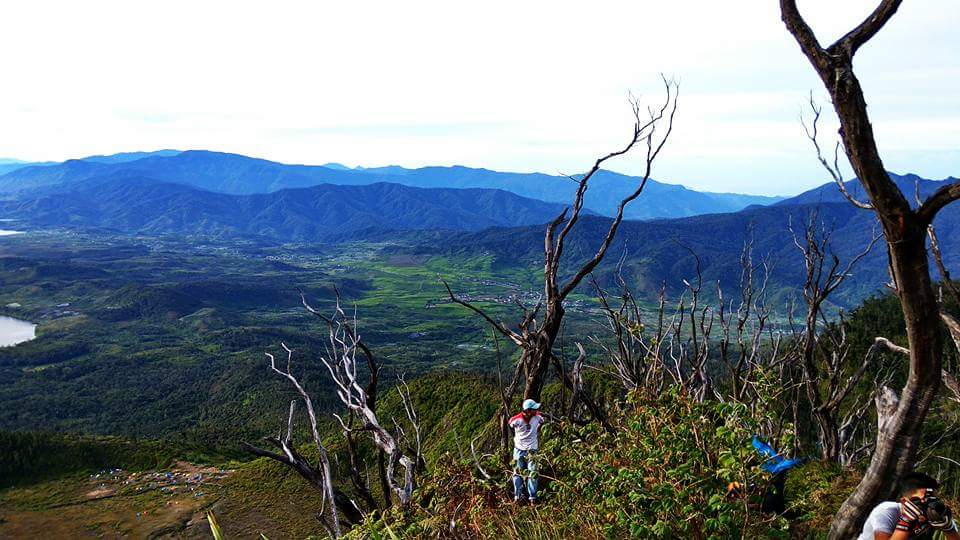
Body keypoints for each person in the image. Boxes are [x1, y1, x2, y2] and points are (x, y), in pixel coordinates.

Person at [858, 472, 960, 539]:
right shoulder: (887, 510)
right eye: (920, 501)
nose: (928, 505)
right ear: (904, 502)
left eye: (933, 499)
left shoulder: (936, 513)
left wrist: (948, 528)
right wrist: (906, 522)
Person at [509, 398, 545, 504]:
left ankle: (532, 497)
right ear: (528, 410)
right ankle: (518, 496)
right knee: (517, 473)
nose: (536, 411)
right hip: (519, 449)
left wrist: (535, 431)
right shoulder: (516, 420)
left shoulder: (537, 417)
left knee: (533, 473)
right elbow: (510, 424)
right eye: (534, 409)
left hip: (532, 449)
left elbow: (541, 422)